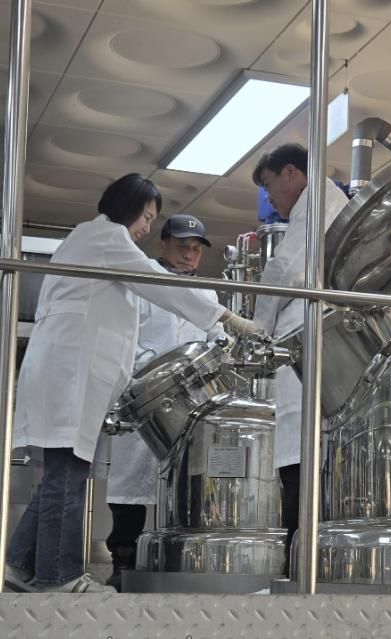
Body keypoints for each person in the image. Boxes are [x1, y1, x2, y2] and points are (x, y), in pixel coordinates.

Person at [4, 173, 257, 594]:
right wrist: (228, 316)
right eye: (147, 217)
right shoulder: (106, 237)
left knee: (63, 474)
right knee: (68, 475)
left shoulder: (94, 240)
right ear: (129, 207)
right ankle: (58, 577)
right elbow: (158, 284)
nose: (145, 227)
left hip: (73, 376)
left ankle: (18, 563)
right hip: (72, 376)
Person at [104, 213, 223, 591]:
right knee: (130, 484)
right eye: (181, 246)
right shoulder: (143, 282)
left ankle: (183, 558)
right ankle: (123, 560)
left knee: (190, 484)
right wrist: (142, 375)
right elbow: (125, 335)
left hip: (192, 404)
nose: (189, 254)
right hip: (142, 396)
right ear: (162, 244)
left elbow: (218, 337)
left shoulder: (207, 294)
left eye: (195, 249)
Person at [251, 144, 348, 576]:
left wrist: (255, 330)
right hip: (324, 339)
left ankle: (299, 569)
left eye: (269, 185)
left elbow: (285, 267)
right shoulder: (329, 201)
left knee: (300, 460)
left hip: (307, 337)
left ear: (291, 172)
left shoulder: (315, 201)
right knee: (314, 459)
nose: (270, 198)